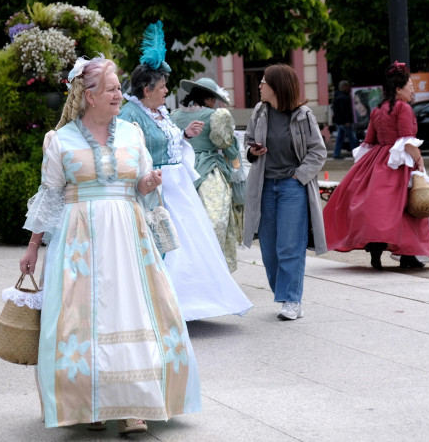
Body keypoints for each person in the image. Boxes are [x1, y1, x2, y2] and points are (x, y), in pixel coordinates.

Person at [19, 55, 201, 434]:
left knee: (131, 312)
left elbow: (139, 186)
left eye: (119, 87)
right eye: (113, 88)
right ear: (89, 96)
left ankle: (135, 406)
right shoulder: (60, 140)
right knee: (83, 319)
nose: (120, 93)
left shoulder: (133, 134)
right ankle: (91, 404)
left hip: (128, 239)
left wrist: (146, 185)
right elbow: (50, 196)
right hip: (78, 243)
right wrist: (33, 247)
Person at [117, 21, 252, 321]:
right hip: (157, 188)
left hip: (178, 185)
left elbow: (166, 143)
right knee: (169, 243)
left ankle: (194, 303)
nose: (167, 90)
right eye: (162, 85)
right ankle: (167, 305)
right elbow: (129, 152)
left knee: (192, 243)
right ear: (146, 89)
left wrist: (184, 136)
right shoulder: (129, 113)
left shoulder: (160, 111)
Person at [323, 62, 429, 269]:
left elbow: (369, 140)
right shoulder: (403, 108)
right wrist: (419, 160)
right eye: (410, 86)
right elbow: (407, 141)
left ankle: (376, 248)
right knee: (408, 208)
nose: (412, 90)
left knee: (381, 209)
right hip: (398, 162)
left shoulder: (378, 109)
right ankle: (409, 254)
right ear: (398, 89)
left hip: (376, 161)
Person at [242, 64, 327, 321]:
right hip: (265, 185)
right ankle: (284, 292)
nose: (259, 86)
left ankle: (291, 300)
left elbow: (318, 151)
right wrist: (252, 151)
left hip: (292, 187)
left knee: (289, 245)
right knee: (268, 248)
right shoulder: (259, 111)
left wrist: (299, 175)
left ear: (277, 86)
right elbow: (247, 141)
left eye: (264, 82)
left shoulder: (303, 115)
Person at [171, 77, 244, 272]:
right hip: (208, 170)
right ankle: (215, 269)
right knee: (215, 220)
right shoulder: (216, 115)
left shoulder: (174, 115)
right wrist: (235, 156)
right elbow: (227, 147)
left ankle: (190, 269)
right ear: (210, 99)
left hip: (181, 172)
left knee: (185, 223)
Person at [331, 80, 358, 159]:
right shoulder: (343, 98)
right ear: (344, 87)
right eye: (347, 86)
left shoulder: (337, 96)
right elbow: (345, 111)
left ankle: (336, 154)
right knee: (352, 138)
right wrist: (347, 120)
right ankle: (356, 153)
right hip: (345, 122)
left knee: (340, 138)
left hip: (339, 122)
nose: (348, 88)